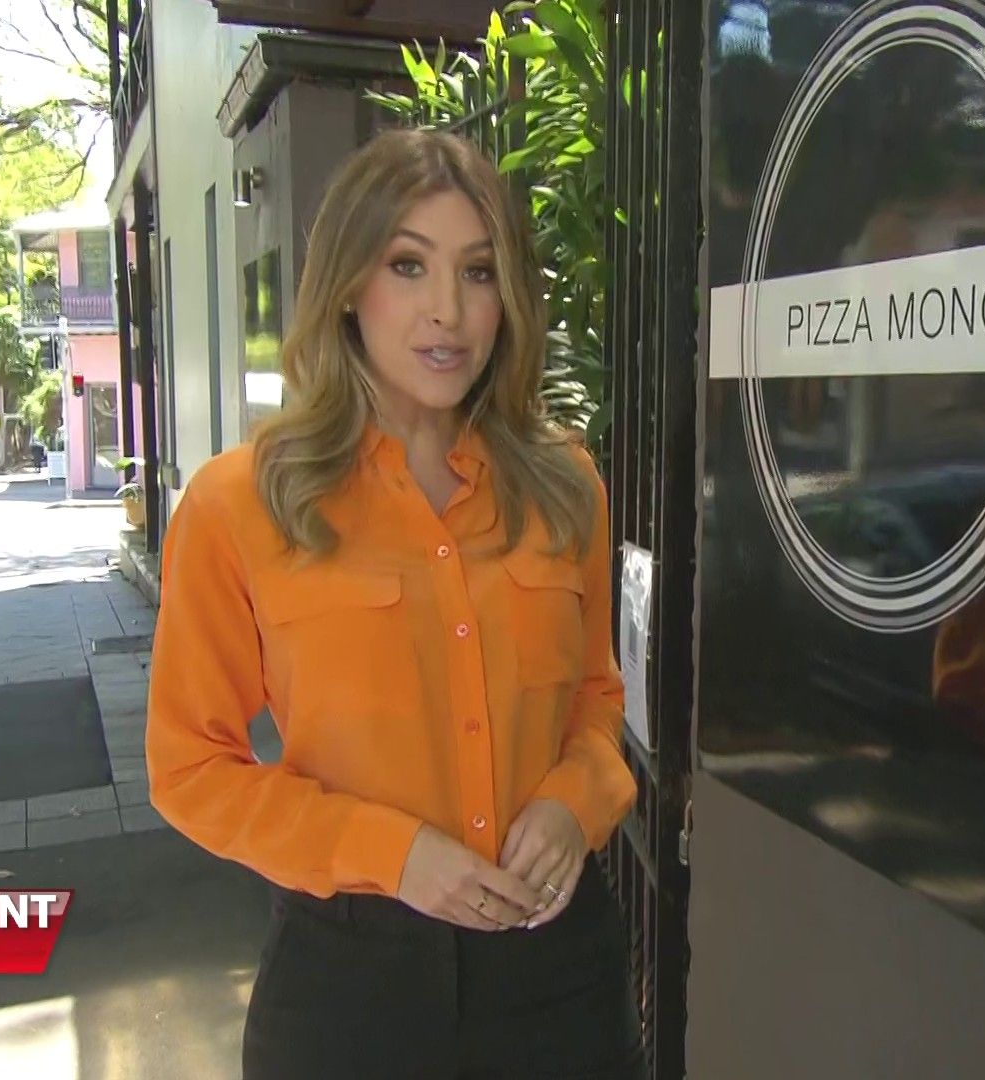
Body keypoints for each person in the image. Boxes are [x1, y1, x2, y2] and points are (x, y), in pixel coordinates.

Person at [146, 129, 644, 1079]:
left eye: (479, 271)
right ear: (347, 284)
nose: (447, 310)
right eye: (408, 265)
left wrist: (575, 803)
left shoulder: (563, 485)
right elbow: (190, 768)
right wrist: (392, 852)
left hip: (559, 971)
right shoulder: (238, 504)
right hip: (349, 988)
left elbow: (597, 696)